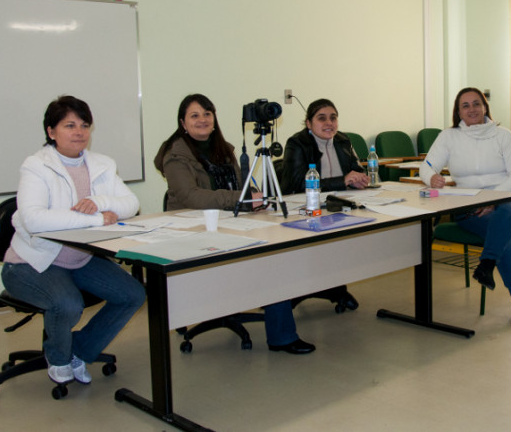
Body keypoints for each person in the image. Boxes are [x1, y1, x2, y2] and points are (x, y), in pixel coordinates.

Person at [154, 93, 314, 354]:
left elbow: (244, 185)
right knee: (268, 261)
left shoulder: (225, 149)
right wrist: (241, 200)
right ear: (183, 122)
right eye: (195, 115)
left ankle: (280, 334)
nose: (203, 120)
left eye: (207, 114)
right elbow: (190, 196)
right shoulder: (175, 155)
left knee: (275, 249)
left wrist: (255, 196)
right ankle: (282, 334)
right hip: (195, 229)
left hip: (231, 221)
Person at [2, 95, 146, 386]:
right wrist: (96, 217)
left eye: (84, 125)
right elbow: (34, 219)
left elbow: (130, 203)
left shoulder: (102, 163)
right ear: (51, 132)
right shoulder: (36, 165)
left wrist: (97, 201)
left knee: (133, 294)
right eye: (69, 125)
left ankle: (80, 350)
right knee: (69, 304)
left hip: (79, 258)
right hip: (34, 261)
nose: (79, 131)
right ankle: (58, 357)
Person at [419, 87, 511, 326]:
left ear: (485, 107)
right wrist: (432, 178)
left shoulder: (503, 135)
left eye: (476, 104)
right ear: (458, 112)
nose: (472, 109)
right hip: (469, 207)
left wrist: (492, 199)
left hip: (507, 201)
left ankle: (487, 263)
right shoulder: (449, 137)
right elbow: (426, 167)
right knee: (505, 237)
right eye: (465, 105)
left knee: (509, 210)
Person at [280, 98, 366, 311]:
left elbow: (356, 168)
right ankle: (308, 287)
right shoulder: (297, 143)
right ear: (309, 123)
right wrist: (343, 180)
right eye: (322, 118)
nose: (329, 123)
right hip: (303, 209)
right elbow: (299, 183)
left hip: (338, 206)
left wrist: (360, 178)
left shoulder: (343, 140)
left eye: (333, 117)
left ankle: (334, 286)